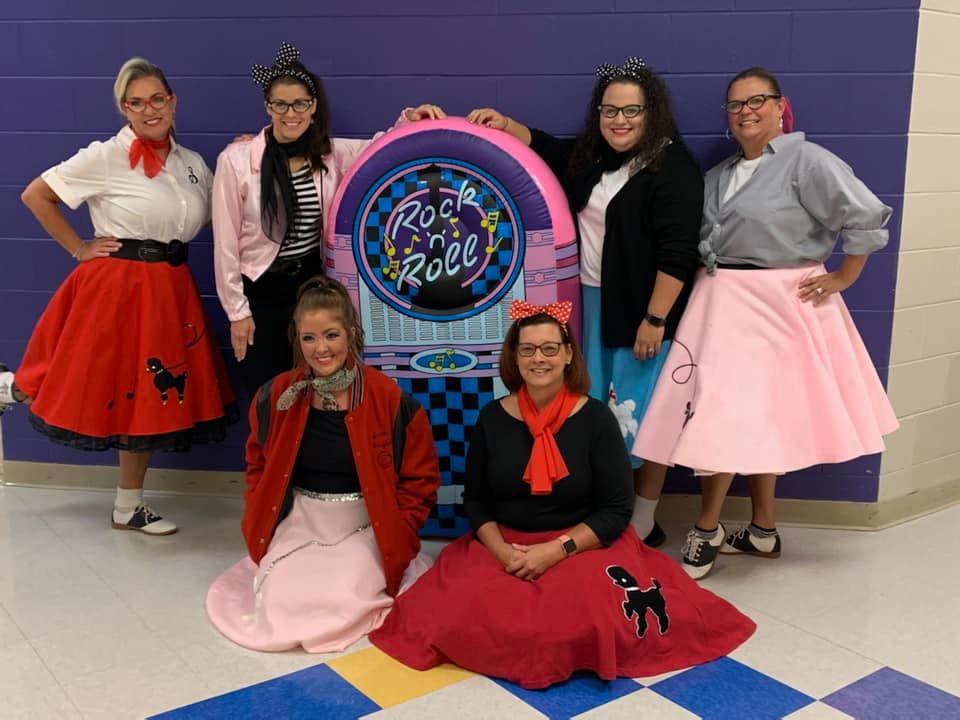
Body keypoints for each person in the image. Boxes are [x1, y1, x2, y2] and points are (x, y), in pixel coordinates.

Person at [369, 301, 755, 688]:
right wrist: (503, 552)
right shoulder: (491, 418)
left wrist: (557, 549)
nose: (539, 358)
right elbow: (478, 500)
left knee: (579, 619)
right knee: (453, 615)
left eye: (550, 348)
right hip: (505, 543)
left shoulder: (597, 419)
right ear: (514, 357)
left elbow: (617, 509)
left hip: (583, 543)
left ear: (569, 354)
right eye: (528, 349)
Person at [633, 67, 899, 580]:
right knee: (734, 415)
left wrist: (843, 275)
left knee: (735, 417)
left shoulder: (807, 160)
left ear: (781, 106)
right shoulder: (720, 174)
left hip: (778, 303)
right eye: (734, 105)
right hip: (720, 302)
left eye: (757, 100)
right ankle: (762, 530)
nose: (745, 111)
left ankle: (708, 528)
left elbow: (865, 214)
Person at [466, 57, 702, 548]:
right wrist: (503, 124)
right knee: (592, 412)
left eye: (632, 111)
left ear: (652, 112)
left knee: (643, 418)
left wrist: (654, 318)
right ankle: (602, 513)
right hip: (585, 306)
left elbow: (678, 252)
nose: (620, 121)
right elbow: (552, 148)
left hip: (640, 311)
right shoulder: (595, 157)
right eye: (609, 110)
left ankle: (642, 519)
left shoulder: (672, 167)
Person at [4, 57, 237, 535]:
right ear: (124, 109)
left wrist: (244, 159)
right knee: (89, 376)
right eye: (136, 102)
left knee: (147, 396)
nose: (149, 109)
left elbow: (220, 215)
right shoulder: (104, 156)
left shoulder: (192, 164)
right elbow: (35, 195)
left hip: (170, 289)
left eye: (157, 98)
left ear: (172, 101)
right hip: (119, 287)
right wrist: (79, 247)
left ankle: (127, 506)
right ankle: (10, 389)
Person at [206, 275, 441, 653]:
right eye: (309, 338)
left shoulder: (390, 400)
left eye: (331, 335)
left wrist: (401, 531)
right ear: (296, 340)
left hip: (365, 525)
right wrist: (258, 511)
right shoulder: (277, 395)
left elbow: (421, 480)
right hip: (302, 520)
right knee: (283, 598)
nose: (321, 349)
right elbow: (257, 465)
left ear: (350, 333)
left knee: (344, 593)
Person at [213, 41, 445, 397]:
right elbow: (226, 245)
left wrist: (410, 120)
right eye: (281, 104)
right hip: (261, 292)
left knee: (313, 388)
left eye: (301, 103)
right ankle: (272, 454)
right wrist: (237, 312)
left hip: (310, 286)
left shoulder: (328, 154)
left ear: (314, 106)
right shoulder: (237, 160)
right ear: (268, 107)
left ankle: (308, 453)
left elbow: (380, 148)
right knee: (269, 392)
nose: (291, 113)